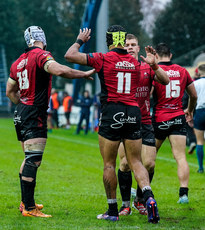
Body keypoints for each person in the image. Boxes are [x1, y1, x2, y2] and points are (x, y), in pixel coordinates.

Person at [65, 25, 169, 223]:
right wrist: (154, 65)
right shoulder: (135, 62)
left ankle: (112, 211)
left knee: (109, 164)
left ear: (109, 41)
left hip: (112, 112)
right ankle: (149, 197)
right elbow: (163, 81)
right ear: (123, 42)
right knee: (136, 162)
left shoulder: (103, 58)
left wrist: (80, 41)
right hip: (133, 113)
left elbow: (70, 55)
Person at [6, 25, 95, 218]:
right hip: (33, 113)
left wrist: (22, 104)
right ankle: (29, 208)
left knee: (28, 158)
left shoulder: (18, 62)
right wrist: (84, 74)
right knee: (33, 160)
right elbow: (60, 70)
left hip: (21, 112)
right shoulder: (41, 55)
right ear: (42, 38)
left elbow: (9, 91)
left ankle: (26, 202)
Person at [117, 34, 168, 216]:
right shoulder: (117, 67)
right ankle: (125, 205)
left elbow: (165, 80)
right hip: (123, 121)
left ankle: (139, 200)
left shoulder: (147, 67)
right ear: (123, 48)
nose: (130, 47)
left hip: (144, 121)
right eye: (127, 45)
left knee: (149, 164)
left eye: (133, 45)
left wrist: (155, 64)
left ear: (138, 48)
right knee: (124, 164)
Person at [152, 43, 197, 204]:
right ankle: (183, 193)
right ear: (170, 55)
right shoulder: (182, 71)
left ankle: (142, 191)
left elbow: (148, 94)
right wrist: (189, 110)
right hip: (178, 117)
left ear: (156, 55)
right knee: (180, 156)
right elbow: (194, 95)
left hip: (160, 117)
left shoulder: (154, 70)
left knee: (150, 158)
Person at [192, 63, 205, 173]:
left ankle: (201, 168)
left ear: (199, 72)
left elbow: (192, 97)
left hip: (200, 112)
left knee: (200, 141)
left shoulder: (195, 83)